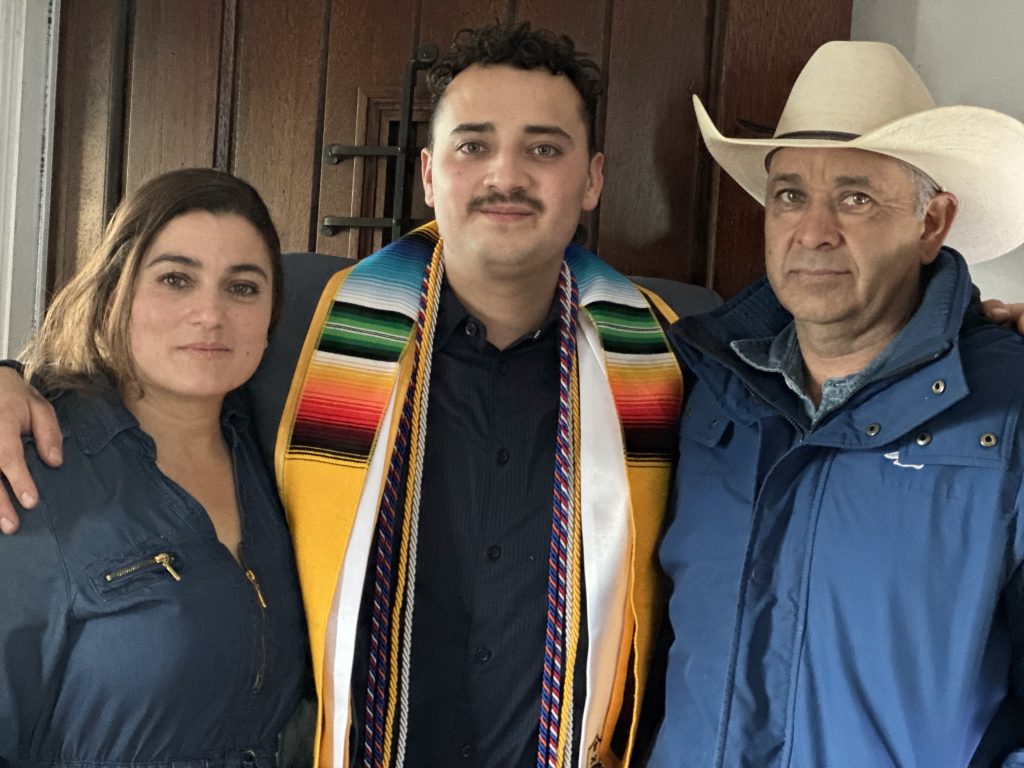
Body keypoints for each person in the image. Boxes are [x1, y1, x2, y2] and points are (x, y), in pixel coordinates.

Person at [0, 24, 722, 768]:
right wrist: (9, 379)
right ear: (429, 175)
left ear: (594, 177)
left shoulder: (676, 359)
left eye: (544, 148)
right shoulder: (309, 327)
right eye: (472, 145)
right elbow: (148, 369)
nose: (506, 174)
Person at [648, 41, 1024, 766]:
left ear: (931, 224)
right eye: (789, 194)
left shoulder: (1006, 411)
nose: (813, 231)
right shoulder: (701, 389)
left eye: (854, 197)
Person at [0, 168, 309, 765]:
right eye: (175, 279)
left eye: (243, 287)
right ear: (115, 290)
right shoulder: (34, 471)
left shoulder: (283, 450)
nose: (210, 314)